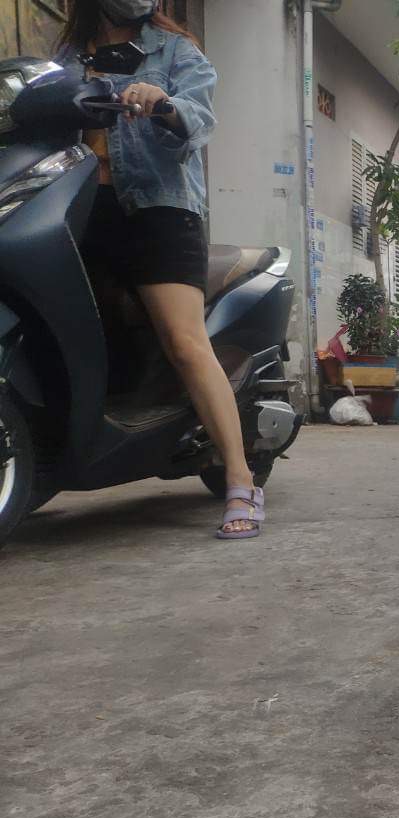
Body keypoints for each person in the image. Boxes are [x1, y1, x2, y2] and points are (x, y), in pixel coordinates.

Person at [59, 1, 262, 539]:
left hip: (157, 209)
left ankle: (240, 478)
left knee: (184, 342)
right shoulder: (69, 55)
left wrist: (163, 102)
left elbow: (199, 117)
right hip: (78, 207)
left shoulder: (175, 51)